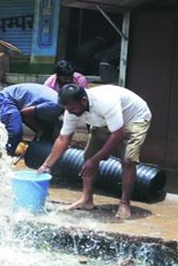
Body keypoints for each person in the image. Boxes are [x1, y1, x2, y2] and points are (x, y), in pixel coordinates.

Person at [38, 84, 152, 220]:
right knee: (88, 156)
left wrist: (96, 160)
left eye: (73, 108)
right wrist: (46, 165)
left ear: (84, 101)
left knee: (128, 160)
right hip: (104, 121)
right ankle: (86, 200)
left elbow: (117, 134)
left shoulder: (105, 102)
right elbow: (63, 138)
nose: (70, 112)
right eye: (67, 109)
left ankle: (124, 202)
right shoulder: (72, 109)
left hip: (134, 118)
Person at [0, 83, 63, 156]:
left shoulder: (62, 108)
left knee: (47, 133)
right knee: (15, 132)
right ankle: (7, 157)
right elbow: (24, 113)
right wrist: (38, 130)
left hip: (23, 101)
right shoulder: (54, 106)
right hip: (7, 99)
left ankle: (37, 154)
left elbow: (59, 134)